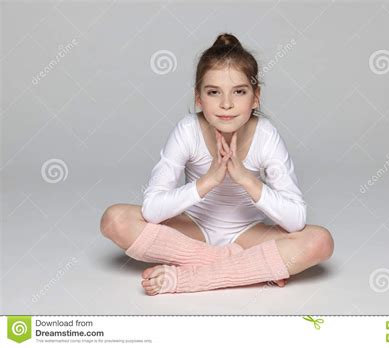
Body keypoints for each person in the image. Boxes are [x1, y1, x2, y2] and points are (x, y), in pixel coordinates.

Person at [100, 33, 334, 295]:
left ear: (256, 97)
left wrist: (246, 179)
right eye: (213, 92)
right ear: (198, 98)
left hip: (249, 235)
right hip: (192, 230)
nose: (226, 104)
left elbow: (296, 220)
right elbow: (152, 210)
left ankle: (190, 278)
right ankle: (245, 268)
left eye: (239, 92)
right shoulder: (188, 130)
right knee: (115, 220)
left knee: (319, 241)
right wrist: (207, 181)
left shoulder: (266, 135)